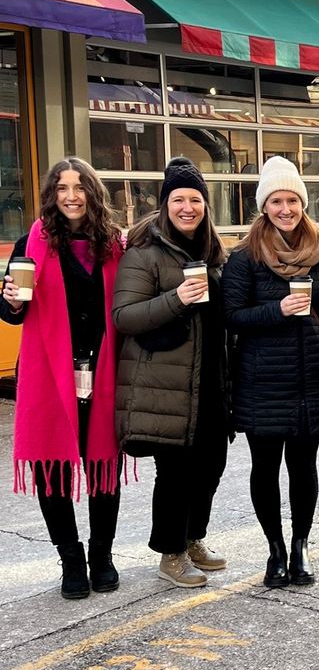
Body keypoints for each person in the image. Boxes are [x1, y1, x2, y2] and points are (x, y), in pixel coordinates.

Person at [223, 156, 319, 590]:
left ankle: (301, 545)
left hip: (312, 377)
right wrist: (277, 310)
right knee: (264, 467)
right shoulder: (244, 256)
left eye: (292, 200)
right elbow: (233, 316)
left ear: (303, 203)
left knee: (304, 466)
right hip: (262, 378)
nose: (285, 209)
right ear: (264, 206)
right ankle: (274, 548)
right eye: (276, 200)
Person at [2, 158, 124, 598]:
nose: (71, 196)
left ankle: (102, 556)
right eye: (62, 188)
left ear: (93, 193)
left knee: (102, 466)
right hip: (49, 375)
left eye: (80, 187)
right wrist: (11, 300)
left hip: (104, 371)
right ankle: (70, 560)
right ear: (52, 195)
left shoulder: (114, 245)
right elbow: (11, 313)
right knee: (51, 470)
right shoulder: (30, 243)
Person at [112, 157, 231, 588]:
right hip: (166, 383)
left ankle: (193, 537)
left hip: (210, 382)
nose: (187, 207)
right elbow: (125, 316)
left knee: (211, 465)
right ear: (165, 205)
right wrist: (178, 297)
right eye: (178, 199)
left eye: (195, 199)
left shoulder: (213, 253)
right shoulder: (143, 254)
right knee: (176, 472)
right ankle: (171, 552)